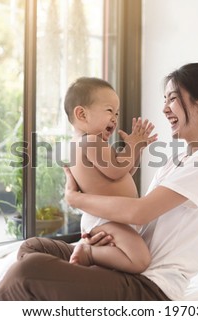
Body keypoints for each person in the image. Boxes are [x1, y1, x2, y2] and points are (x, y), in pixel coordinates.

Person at [0, 62, 198, 300]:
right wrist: (103, 237)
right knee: (33, 247)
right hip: (124, 258)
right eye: (165, 100)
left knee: (29, 269)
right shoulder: (176, 158)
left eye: (172, 99)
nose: (164, 109)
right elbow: (141, 218)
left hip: (150, 286)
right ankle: (68, 277)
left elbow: (139, 211)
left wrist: (76, 199)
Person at [63, 77, 157, 273]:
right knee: (139, 260)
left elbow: (124, 172)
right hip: (105, 219)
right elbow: (116, 170)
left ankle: (97, 259)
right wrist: (131, 146)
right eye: (109, 111)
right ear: (82, 114)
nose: (114, 118)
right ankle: (87, 253)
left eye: (117, 113)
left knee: (131, 255)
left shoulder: (85, 143)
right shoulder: (90, 141)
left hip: (107, 217)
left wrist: (137, 150)